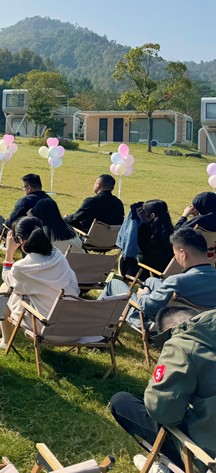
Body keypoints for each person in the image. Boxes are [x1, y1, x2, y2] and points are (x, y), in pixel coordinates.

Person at [110, 307, 216, 472]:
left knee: (121, 402)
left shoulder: (183, 344)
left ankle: (171, 467)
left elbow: (163, 412)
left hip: (208, 458)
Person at [99, 228, 216, 330]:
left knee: (113, 284)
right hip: (200, 326)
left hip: (162, 325)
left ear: (183, 254)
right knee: (151, 281)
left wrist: (143, 295)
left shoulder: (178, 281)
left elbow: (147, 308)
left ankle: (93, 327)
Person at [0, 216, 79, 348]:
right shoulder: (58, 254)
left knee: (4, 291)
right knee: (11, 290)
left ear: (20, 240)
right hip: (73, 325)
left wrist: (9, 252)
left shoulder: (23, 267)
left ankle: (6, 341)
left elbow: (7, 277)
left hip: (47, 328)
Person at [0, 174, 51, 247]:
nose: (23, 189)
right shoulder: (49, 201)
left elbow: (9, 223)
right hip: (44, 236)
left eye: (23, 187)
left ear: (29, 188)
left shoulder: (25, 201)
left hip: (22, 237)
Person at [136, 200, 175, 274]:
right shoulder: (173, 232)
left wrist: (135, 220)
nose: (142, 215)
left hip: (148, 272)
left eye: (144, 212)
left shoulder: (145, 230)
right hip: (167, 272)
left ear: (152, 215)